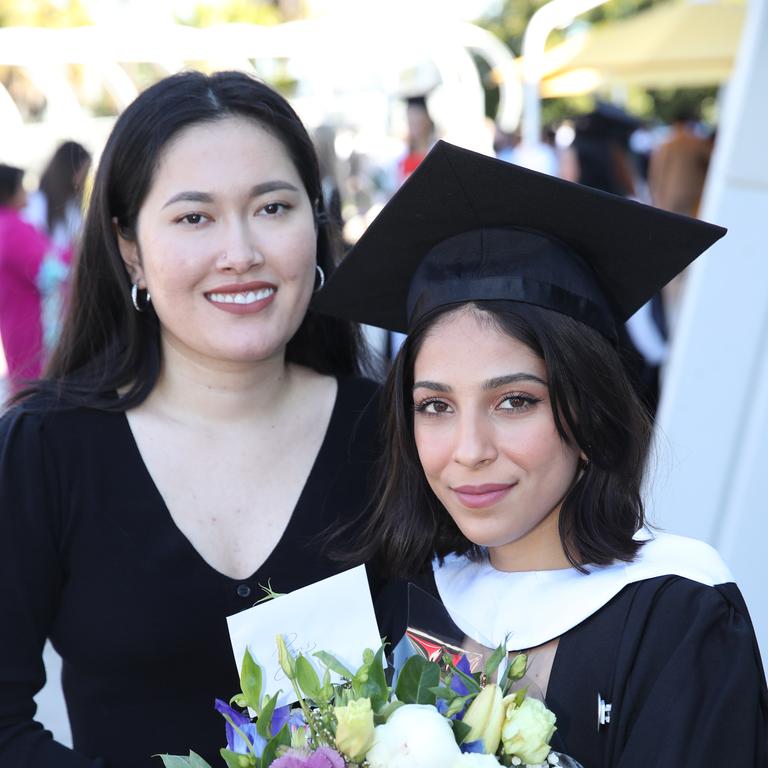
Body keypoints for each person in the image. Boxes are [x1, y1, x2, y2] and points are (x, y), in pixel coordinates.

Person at [313, 141, 768, 766]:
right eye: (436, 406)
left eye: (515, 401)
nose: (469, 452)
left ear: (586, 406)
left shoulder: (677, 617)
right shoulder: (400, 597)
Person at [0, 70, 381, 768]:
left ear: (315, 223)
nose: (241, 253)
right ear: (129, 249)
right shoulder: (46, 451)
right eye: (194, 217)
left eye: (272, 207)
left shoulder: (393, 437)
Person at [0, 164, 71, 389]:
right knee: (35, 382)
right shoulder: (14, 227)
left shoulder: (6, 224)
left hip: (13, 314)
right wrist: (75, 250)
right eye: (22, 186)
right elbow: (50, 272)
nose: (27, 192)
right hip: (29, 319)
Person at [23, 140, 92, 251]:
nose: (83, 179)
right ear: (69, 170)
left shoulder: (73, 204)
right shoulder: (37, 202)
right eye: (83, 172)